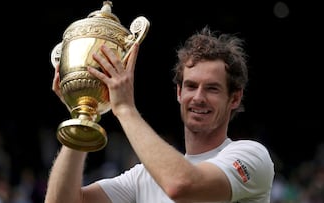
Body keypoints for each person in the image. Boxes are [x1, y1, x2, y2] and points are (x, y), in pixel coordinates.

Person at [45, 26, 275, 203]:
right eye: (191, 86)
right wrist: (83, 113)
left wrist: (125, 109)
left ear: (234, 98)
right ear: (178, 92)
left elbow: (182, 185)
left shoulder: (251, 156)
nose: (198, 97)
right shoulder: (143, 176)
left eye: (212, 88)